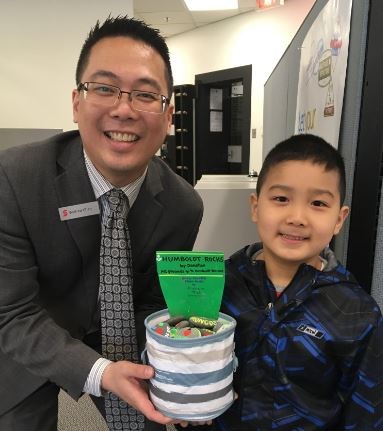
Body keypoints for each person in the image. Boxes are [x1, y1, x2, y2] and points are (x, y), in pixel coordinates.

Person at [0, 16, 203, 431]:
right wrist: (96, 371)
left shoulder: (183, 206)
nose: (123, 109)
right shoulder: (14, 179)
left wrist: (187, 370)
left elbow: (150, 302)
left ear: (168, 117)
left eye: (146, 95)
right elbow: (11, 312)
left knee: (155, 419)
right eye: (105, 88)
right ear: (76, 102)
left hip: (115, 337)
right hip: (23, 337)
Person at [215, 134, 383, 430]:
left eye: (318, 203)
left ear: (339, 219)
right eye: (281, 198)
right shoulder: (221, 285)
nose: (297, 217)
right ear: (255, 206)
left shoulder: (356, 314)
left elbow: (366, 412)